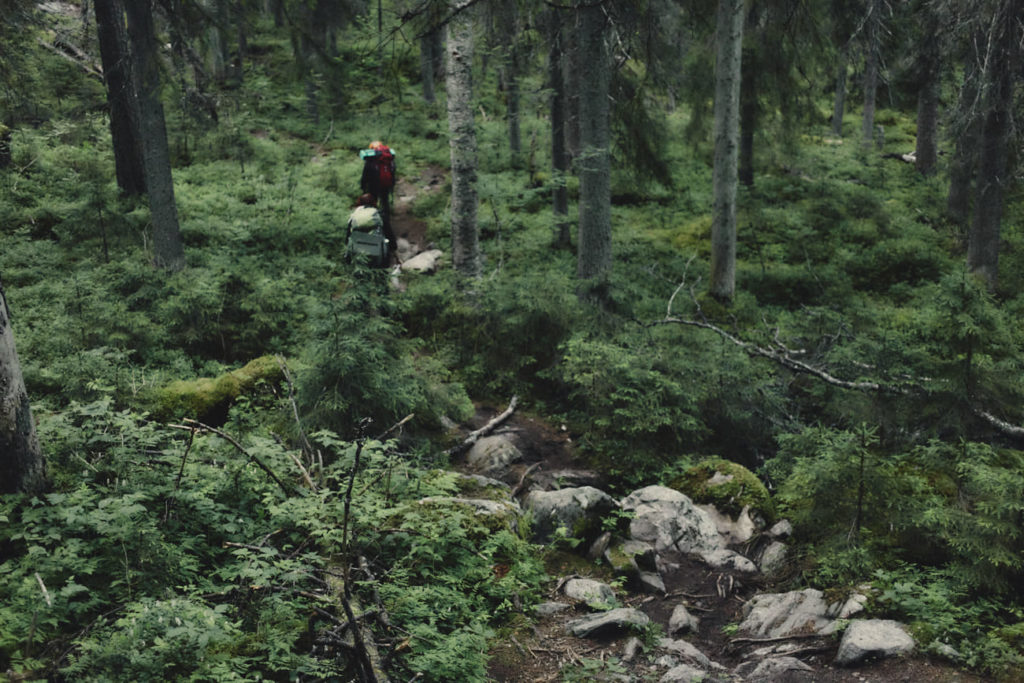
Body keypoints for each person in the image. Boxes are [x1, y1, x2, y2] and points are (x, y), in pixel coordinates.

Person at [359, 141, 396, 252]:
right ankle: (386, 219)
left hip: (374, 185)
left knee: (372, 202)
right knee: (385, 201)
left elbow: (365, 175)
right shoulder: (389, 158)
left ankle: (373, 221)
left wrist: (363, 186)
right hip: (386, 185)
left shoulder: (370, 160)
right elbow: (393, 172)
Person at [346, 193, 392, 267]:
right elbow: (389, 233)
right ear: (374, 202)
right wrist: (393, 247)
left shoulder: (355, 214)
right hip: (376, 249)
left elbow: (348, 234)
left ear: (359, 202)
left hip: (357, 248)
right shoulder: (378, 214)